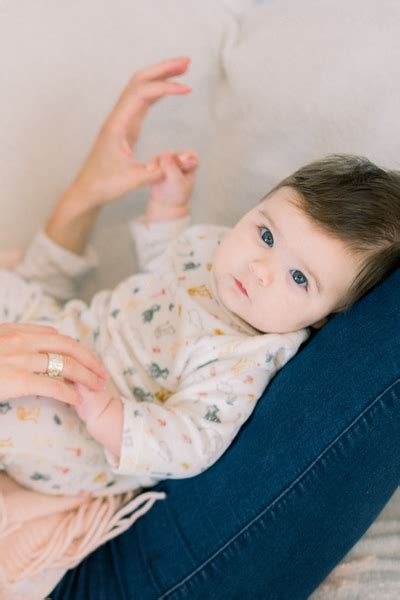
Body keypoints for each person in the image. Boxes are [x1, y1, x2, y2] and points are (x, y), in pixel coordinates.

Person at [0, 56, 398, 597]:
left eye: (299, 277)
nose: (260, 269)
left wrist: (112, 417)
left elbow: (193, 440)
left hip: (91, 421)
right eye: (265, 234)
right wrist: (170, 209)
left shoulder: (247, 355)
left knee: (24, 414)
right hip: (75, 338)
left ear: (324, 319)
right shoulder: (219, 252)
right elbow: (172, 263)